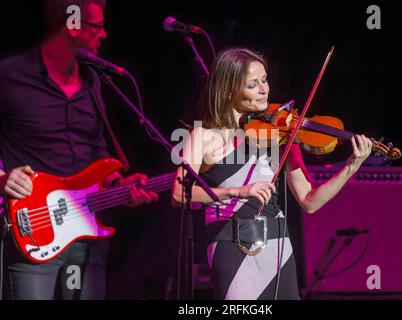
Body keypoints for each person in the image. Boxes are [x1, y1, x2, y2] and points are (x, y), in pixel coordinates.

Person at [171, 48, 373, 300]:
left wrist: (351, 167)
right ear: (229, 90)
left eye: (264, 80)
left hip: (277, 244)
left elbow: (309, 201)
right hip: (229, 243)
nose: (264, 89)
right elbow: (180, 192)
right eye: (253, 85)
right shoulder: (203, 137)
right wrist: (237, 191)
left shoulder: (278, 135)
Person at [0, 0, 158, 300]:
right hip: (33, 229)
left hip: (86, 231)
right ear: (70, 24)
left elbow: (96, 149)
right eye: (97, 26)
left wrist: (119, 184)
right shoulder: (9, 75)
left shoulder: (93, 81)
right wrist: (2, 177)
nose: (104, 35)